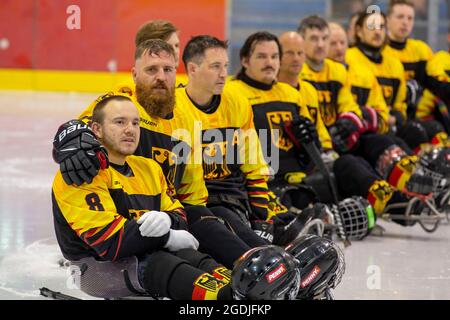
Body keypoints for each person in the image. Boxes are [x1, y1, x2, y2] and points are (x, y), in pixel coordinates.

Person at [52, 95, 302, 300]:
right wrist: (166, 234)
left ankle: (246, 287)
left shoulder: (148, 168)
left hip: (143, 253)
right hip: (94, 269)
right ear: (96, 129)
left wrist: (169, 222)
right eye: (119, 122)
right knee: (160, 261)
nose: (130, 130)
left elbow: (179, 214)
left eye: (136, 123)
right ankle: (228, 298)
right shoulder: (81, 174)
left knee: (191, 256)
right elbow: (110, 243)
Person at [53, 39, 267, 269]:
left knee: (212, 219)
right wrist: (70, 138)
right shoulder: (124, 107)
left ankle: (263, 265)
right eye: (151, 70)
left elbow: (192, 194)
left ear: (177, 74)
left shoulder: (185, 120)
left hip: (169, 215)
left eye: (167, 70)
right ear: (134, 75)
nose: (161, 77)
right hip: (126, 224)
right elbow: (78, 131)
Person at [384, 0, 450, 109]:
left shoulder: (421, 50)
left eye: (410, 18)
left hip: (414, 112)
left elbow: (437, 82)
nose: (405, 22)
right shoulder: (378, 52)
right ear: (387, 20)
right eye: (400, 17)